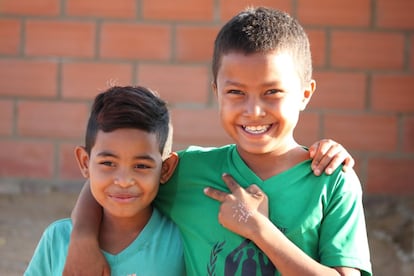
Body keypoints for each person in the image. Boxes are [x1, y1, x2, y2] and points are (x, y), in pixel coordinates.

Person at [63, 7, 370, 276]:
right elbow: (115, 180)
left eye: (272, 92)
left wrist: (260, 230)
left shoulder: (332, 182)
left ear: (305, 94)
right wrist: (82, 239)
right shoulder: (189, 171)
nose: (253, 111)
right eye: (236, 93)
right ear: (216, 92)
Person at [25, 86, 185, 275]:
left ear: (165, 169)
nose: (124, 181)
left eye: (141, 166)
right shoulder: (58, 240)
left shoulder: (181, 243)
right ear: (85, 162)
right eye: (108, 163)